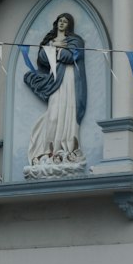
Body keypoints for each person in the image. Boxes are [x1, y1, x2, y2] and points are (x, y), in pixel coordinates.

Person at [23, 12, 88, 175]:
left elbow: (71, 56)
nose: (62, 23)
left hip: (70, 78)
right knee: (53, 114)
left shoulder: (75, 41)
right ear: (56, 23)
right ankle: (48, 150)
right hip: (55, 80)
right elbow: (43, 58)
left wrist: (56, 52)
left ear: (69, 25)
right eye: (60, 20)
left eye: (65, 21)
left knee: (69, 111)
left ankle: (67, 150)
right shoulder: (49, 41)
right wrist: (57, 50)